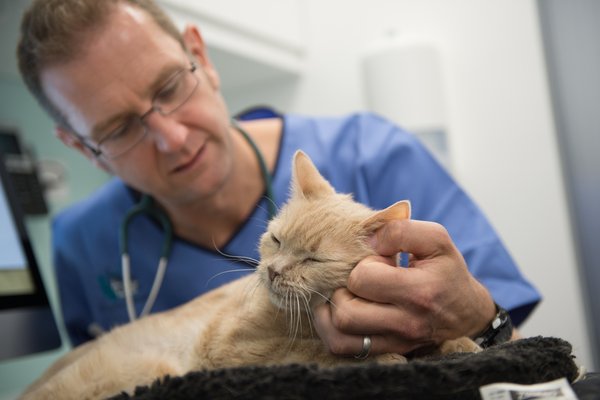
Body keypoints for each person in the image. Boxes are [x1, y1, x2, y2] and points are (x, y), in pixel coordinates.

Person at [17, 0, 540, 358]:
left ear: (201, 56)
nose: (171, 137)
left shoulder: (374, 154)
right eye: (118, 128)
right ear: (83, 148)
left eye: (170, 86)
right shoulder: (79, 244)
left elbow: (517, 362)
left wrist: (478, 318)